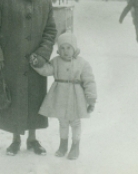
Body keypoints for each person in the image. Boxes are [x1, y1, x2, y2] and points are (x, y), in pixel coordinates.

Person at [0, 0, 57, 156]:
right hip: (10, 61)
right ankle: (15, 140)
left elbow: (50, 31)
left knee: (34, 100)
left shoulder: (45, 0)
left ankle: (33, 139)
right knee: (13, 100)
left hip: (35, 63)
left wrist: (42, 54)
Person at [30, 32, 97, 160]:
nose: (65, 51)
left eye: (69, 47)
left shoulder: (82, 63)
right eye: (62, 48)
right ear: (59, 49)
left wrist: (91, 99)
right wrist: (36, 64)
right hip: (60, 96)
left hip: (76, 98)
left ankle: (75, 146)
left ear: (74, 48)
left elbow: (89, 81)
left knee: (75, 122)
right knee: (63, 122)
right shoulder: (56, 62)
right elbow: (47, 70)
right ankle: (63, 145)